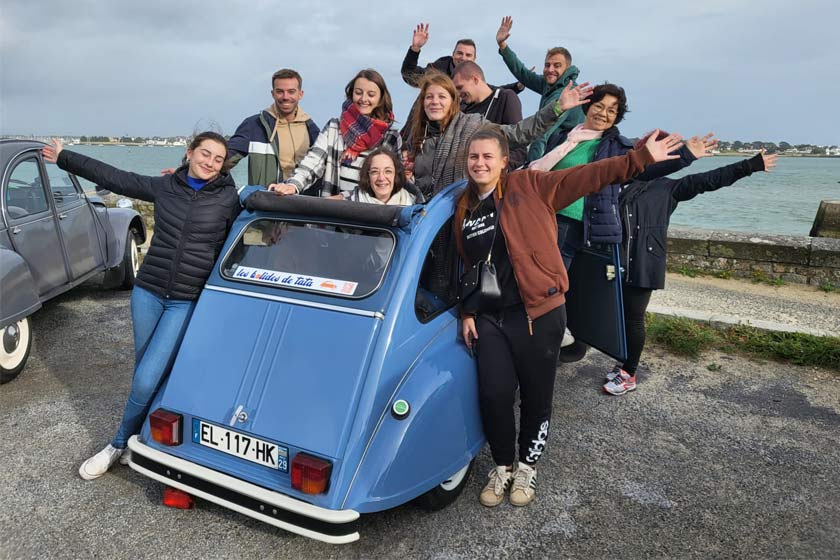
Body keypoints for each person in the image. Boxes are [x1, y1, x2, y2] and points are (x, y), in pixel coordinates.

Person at [453, 126, 683, 507]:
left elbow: (587, 176)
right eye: (473, 157)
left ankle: (527, 466)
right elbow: (463, 265)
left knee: (536, 395)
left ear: (503, 162)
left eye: (487, 156)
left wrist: (638, 159)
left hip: (538, 312)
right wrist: (466, 311)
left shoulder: (529, 185)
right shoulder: (463, 206)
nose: (480, 163)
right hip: (491, 316)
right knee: (493, 394)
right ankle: (503, 466)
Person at [42, 133, 242, 480]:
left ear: (224, 165)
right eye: (205, 154)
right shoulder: (165, 187)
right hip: (147, 292)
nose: (210, 162)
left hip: (185, 300)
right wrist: (65, 157)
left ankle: (117, 443)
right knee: (144, 373)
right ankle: (142, 435)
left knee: (147, 376)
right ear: (189, 153)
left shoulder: (228, 199)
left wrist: (279, 194)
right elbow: (115, 177)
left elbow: (254, 216)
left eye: (218, 158)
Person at [603, 149, 779, 395]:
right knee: (616, 314)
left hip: (643, 261)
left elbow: (708, 180)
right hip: (614, 260)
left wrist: (749, 166)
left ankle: (629, 372)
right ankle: (621, 361)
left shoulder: (668, 188)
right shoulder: (620, 183)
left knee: (633, 318)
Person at [407, 72, 593, 200]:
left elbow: (518, 133)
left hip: (462, 215)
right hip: (424, 221)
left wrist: (556, 108)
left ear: (453, 101)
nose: (435, 102)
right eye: (429, 97)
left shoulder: (473, 126)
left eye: (441, 96)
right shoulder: (418, 136)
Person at [269, 69, 402, 199]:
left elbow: (391, 183)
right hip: (334, 213)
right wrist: (293, 185)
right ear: (351, 94)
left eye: (371, 95)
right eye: (358, 93)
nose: (363, 99)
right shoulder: (334, 127)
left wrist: (346, 197)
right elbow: (313, 161)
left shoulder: (390, 137)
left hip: (372, 214)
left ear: (380, 99)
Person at [495, 16, 584, 160]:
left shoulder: (565, 93)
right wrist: (503, 45)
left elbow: (543, 132)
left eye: (557, 65)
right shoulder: (548, 84)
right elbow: (523, 73)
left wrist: (531, 169)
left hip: (567, 155)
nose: (550, 69)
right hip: (553, 149)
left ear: (567, 68)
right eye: (547, 65)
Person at [227, 69, 320, 187]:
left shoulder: (312, 129)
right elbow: (222, 161)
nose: (285, 97)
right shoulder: (254, 125)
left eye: (291, 91)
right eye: (280, 91)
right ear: (273, 94)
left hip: (305, 201)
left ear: (300, 94)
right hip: (267, 201)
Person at [452, 61, 527, 169]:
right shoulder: (462, 109)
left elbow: (519, 148)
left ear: (475, 79)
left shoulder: (505, 98)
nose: (458, 93)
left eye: (460, 87)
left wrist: (496, 171)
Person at [349, 147, 417, 205]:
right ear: (367, 176)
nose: (381, 178)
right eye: (375, 172)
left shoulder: (415, 206)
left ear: (396, 175)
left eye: (388, 171)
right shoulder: (349, 204)